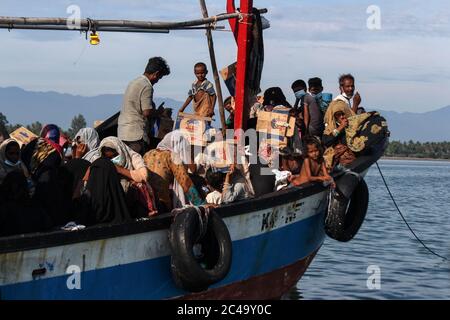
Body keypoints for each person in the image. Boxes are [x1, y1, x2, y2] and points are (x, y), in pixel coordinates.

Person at [81, 136, 156, 223]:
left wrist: (120, 170)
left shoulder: (132, 157)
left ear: (120, 151)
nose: (112, 160)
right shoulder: (102, 164)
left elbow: (143, 176)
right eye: (108, 158)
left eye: (114, 156)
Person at [118, 57, 171, 155]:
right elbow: (147, 112)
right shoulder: (147, 86)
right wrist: (159, 112)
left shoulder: (134, 82)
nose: (157, 81)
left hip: (123, 132)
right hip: (136, 136)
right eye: (159, 78)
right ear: (156, 74)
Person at [143, 130, 204, 212]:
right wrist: (201, 205)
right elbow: (185, 182)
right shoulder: (172, 156)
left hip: (146, 203)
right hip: (162, 205)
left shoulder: (147, 154)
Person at [322, 100, 356, 170]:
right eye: (338, 115)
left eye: (343, 114)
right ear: (334, 116)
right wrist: (340, 128)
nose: (342, 117)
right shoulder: (330, 128)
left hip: (350, 159)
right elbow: (326, 142)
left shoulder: (353, 126)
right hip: (336, 161)